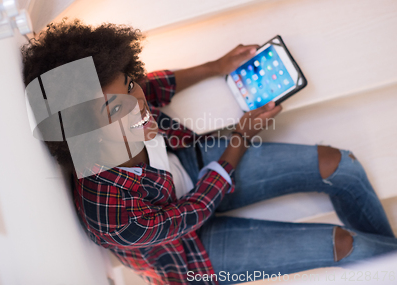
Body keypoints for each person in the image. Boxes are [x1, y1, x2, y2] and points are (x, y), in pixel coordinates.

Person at [21, 19, 397, 285]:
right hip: (189, 253)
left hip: (187, 166)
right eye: (113, 109)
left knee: (339, 164)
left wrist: (216, 66)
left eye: (130, 84)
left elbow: (153, 84)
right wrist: (241, 137)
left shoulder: (124, 104)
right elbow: (193, 212)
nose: (138, 105)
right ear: (83, 134)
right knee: (344, 245)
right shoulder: (109, 211)